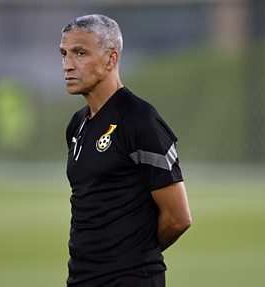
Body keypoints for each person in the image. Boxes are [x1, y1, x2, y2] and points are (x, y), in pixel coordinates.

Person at [60, 14, 192, 287]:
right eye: (64, 54)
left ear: (111, 59)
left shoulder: (140, 120)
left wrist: (132, 256)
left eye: (80, 53)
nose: (67, 65)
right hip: (82, 278)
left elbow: (178, 218)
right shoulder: (77, 125)